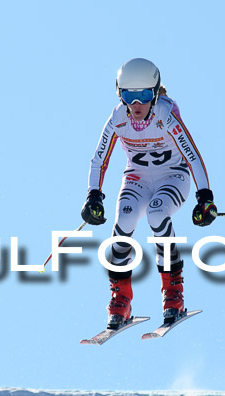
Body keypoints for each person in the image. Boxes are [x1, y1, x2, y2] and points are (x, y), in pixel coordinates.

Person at [81, 58, 217, 329]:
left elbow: (192, 155)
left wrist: (205, 196)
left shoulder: (165, 114)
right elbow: (99, 159)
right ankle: (120, 298)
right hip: (137, 179)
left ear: (155, 93)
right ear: (120, 94)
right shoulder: (119, 118)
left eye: (143, 95)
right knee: (124, 221)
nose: (136, 105)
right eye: (129, 96)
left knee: (157, 214)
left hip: (173, 177)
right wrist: (93, 195)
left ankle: (173, 294)